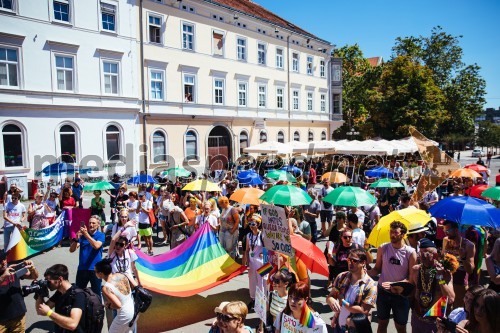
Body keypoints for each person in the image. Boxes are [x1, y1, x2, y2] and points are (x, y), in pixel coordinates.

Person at [368, 221, 417, 333]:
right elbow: (377, 269)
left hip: (400, 295)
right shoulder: (383, 248)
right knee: (382, 324)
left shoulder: (410, 252)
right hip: (383, 292)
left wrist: (396, 285)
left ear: (403, 234)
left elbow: (411, 278)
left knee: (400, 327)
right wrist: (366, 271)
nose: (392, 234)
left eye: (395, 232)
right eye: (391, 231)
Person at [327, 248, 377, 333]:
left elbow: (363, 311)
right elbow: (330, 296)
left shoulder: (370, 285)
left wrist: (342, 301)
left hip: (355, 329)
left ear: (363, 263)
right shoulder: (341, 277)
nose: (350, 262)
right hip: (340, 325)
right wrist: (330, 300)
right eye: (349, 260)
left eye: (354, 260)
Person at [409, 238, 455, 332]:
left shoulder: (445, 273)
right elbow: (410, 291)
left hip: (435, 323)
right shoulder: (415, 270)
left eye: (426, 253)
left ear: (435, 255)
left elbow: (450, 299)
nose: (422, 256)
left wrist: (440, 278)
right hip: (417, 319)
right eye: (420, 252)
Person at [35, 264, 86, 333]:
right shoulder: (59, 293)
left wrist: (49, 313)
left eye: (48, 281)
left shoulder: (78, 295)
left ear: (60, 279)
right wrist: (40, 294)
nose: (47, 284)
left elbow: (73, 324)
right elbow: (40, 311)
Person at [0, 250, 39, 332]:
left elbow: (34, 276)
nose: (4, 262)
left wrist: (32, 268)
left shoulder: (13, 268)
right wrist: (3, 277)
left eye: (4, 259)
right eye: (0, 261)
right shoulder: (5, 274)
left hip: (18, 316)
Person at [94, 258, 135, 333]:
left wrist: (109, 306)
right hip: (133, 309)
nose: (95, 273)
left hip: (124, 315)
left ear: (101, 274)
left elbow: (118, 305)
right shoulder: (120, 275)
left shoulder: (106, 288)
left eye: (95, 271)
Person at [69, 215, 105, 299]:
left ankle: (98, 310)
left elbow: (96, 245)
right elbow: (71, 250)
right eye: (90, 223)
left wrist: (86, 234)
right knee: (78, 292)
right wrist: (76, 239)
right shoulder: (83, 235)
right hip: (82, 269)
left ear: (98, 225)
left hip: (95, 270)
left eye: (93, 223)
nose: (91, 225)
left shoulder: (101, 235)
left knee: (96, 293)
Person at [442, 220, 475, 308]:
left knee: (458, 308)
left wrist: (463, 257)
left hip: (460, 281)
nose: (446, 233)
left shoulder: (469, 245)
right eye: (444, 231)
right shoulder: (445, 240)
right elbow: (442, 257)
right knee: (445, 307)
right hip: (446, 279)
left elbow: (470, 270)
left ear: (456, 230)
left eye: (448, 231)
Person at [242, 213, 265, 307]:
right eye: (250, 224)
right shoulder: (248, 236)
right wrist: (247, 262)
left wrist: (264, 253)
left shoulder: (263, 235)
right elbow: (247, 250)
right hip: (252, 262)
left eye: (253, 224)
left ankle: (262, 302)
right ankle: (253, 299)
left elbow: (269, 249)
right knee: (252, 282)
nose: (251, 226)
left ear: (258, 224)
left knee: (262, 282)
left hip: (262, 263)